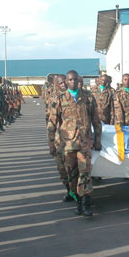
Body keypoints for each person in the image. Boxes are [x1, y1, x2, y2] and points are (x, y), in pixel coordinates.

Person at [47, 70, 102, 218]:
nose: (72, 82)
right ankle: (78, 201)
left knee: (85, 174)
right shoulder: (59, 98)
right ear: (66, 81)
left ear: (78, 80)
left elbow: (96, 120)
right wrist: (51, 143)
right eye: (69, 80)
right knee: (72, 175)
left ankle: (85, 204)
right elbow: (52, 122)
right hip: (68, 144)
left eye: (74, 80)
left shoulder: (88, 97)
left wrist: (97, 140)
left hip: (84, 143)